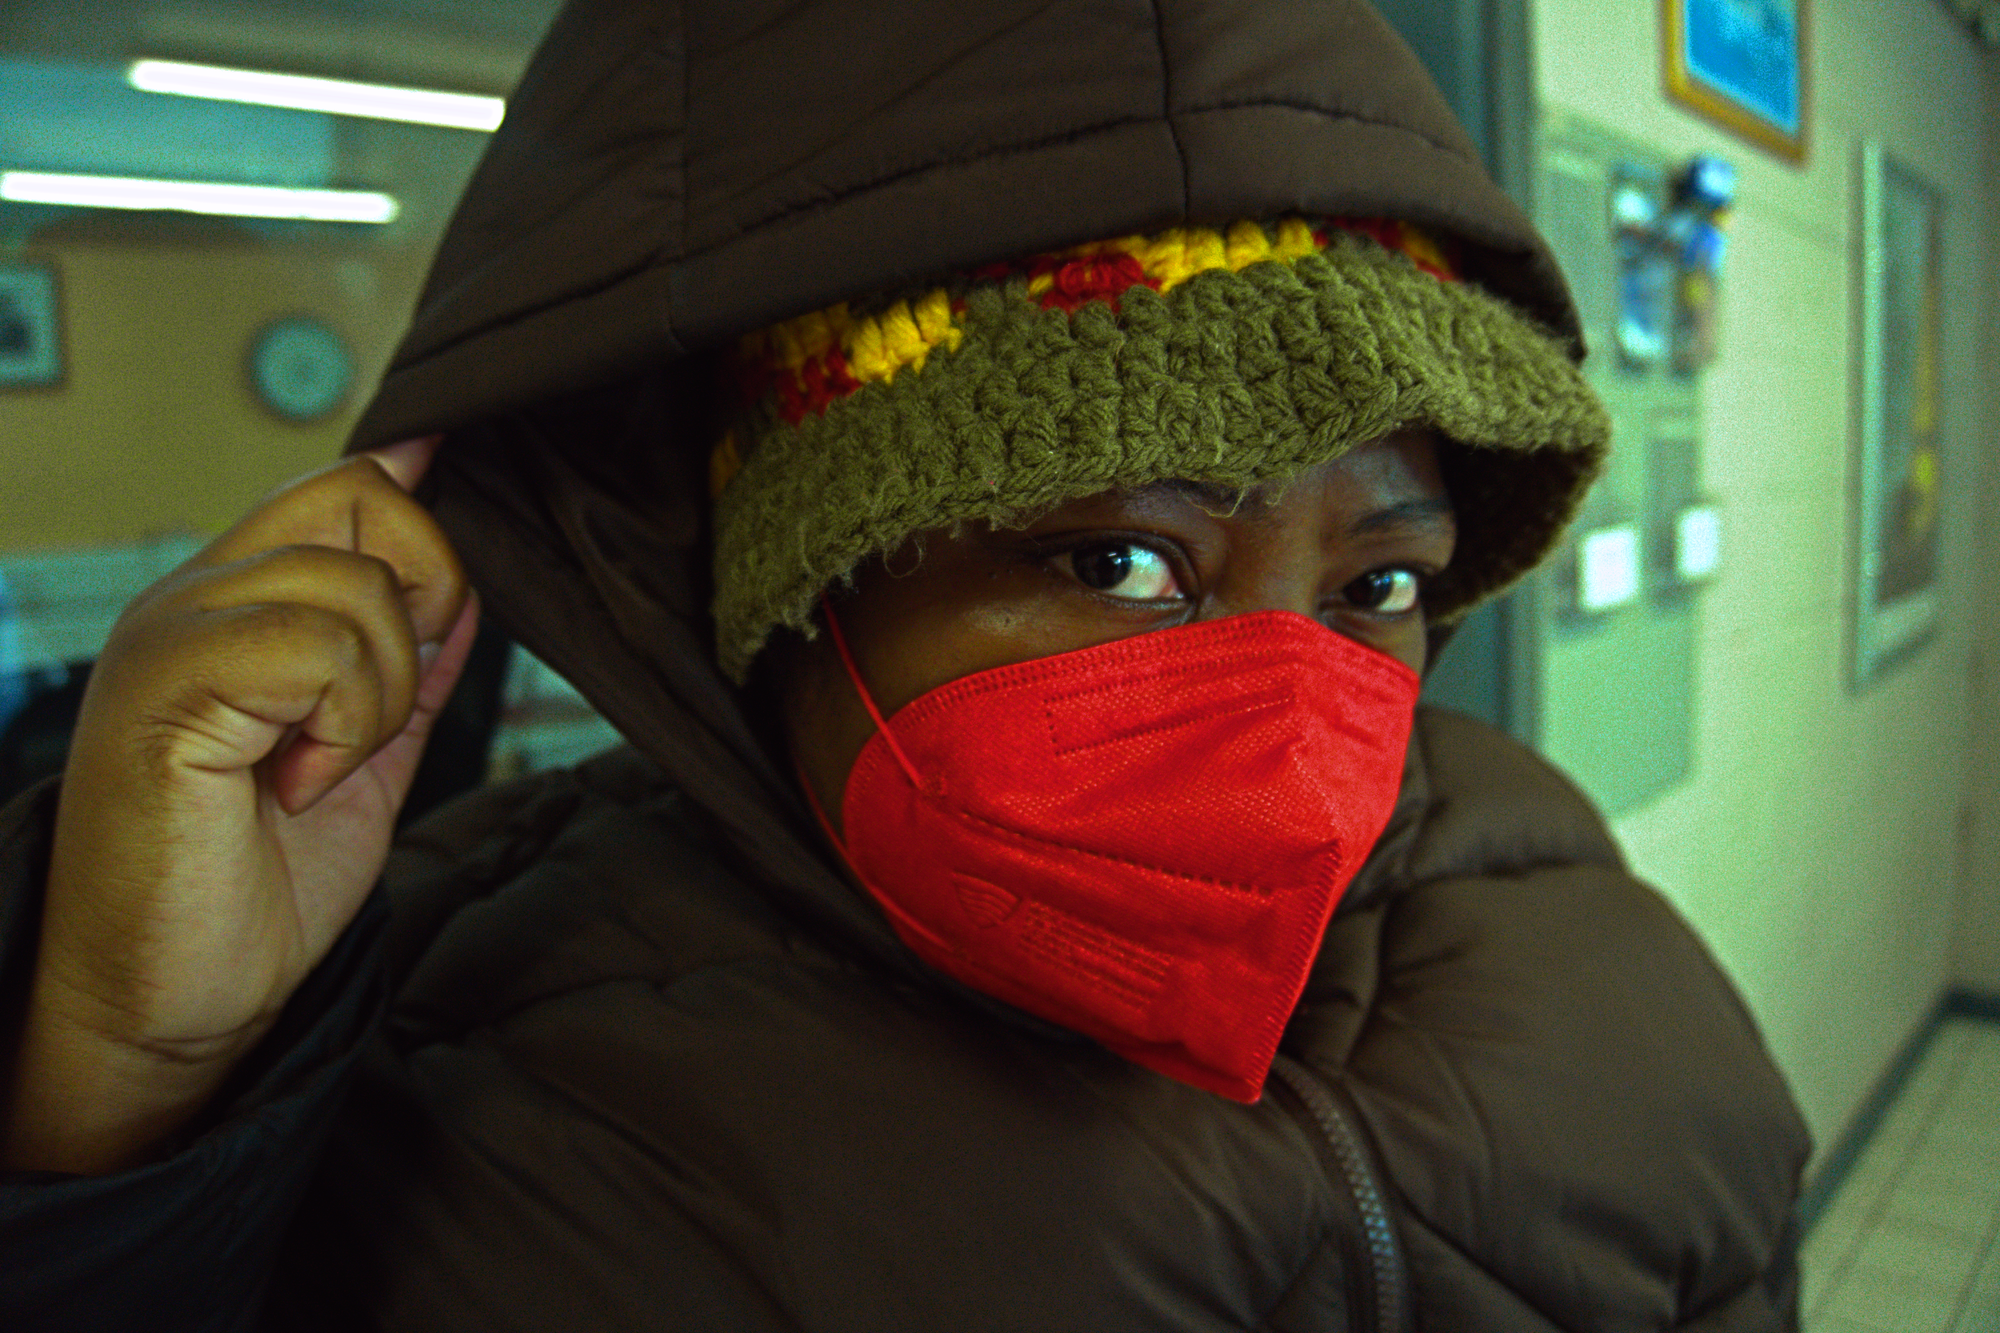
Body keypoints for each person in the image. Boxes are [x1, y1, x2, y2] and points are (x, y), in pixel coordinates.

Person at [0, 1, 1810, 1328]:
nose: (1297, 768)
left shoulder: (1560, 893)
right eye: (1118, 560)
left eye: (1383, 586)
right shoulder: (467, 1052)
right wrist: (125, 1104)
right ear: (796, 576)